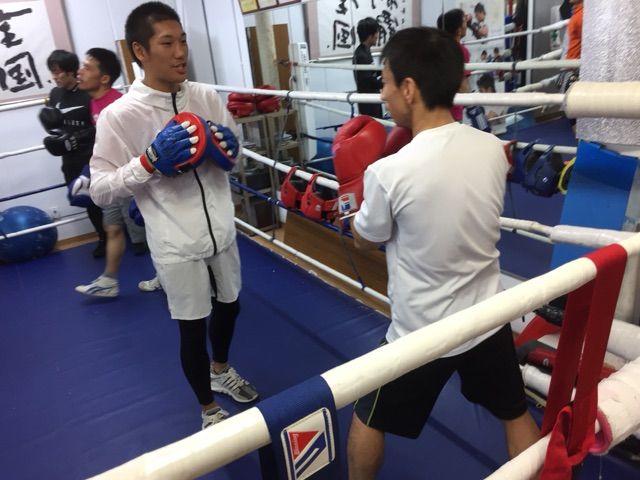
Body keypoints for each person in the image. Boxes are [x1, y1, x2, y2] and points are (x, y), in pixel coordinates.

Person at [343, 27, 540, 479]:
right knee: (515, 415)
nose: (383, 93)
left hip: (421, 332)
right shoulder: (492, 149)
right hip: (485, 318)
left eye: (385, 82)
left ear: (409, 88)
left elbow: (365, 239)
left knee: (367, 418)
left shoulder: (389, 171)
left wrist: (351, 204)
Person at [89, 2, 258, 429]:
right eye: (167, 43)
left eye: (182, 40)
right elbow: (100, 187)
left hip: (222, 230)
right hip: (175, 241)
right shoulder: (119, 115)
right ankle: (208, 409)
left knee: (231, 307)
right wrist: (146, 163)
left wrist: (229, 150)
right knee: (191, 328)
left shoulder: (205, 96)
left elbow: (235, 156)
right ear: (140, 51)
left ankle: (221, 370)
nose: (181, 52)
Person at [74, 47, 148, 298]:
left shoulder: (119, 104)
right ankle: (109, 281)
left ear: (104, 78)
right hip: (111, 178)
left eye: (87, 68)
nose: (80, 72)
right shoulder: (93, 102)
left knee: (147, 233)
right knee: (113, 228)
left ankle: (169, 275)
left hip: (129, 178)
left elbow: (137, 142)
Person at [41, 50, 106, 257]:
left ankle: (131, 234)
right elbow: (55, 126)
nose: (55, 77)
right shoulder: (55, 94)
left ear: (71, 71)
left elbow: (101, 123)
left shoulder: (87, 93)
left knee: (110, 196)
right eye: (53, 72)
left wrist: (80, 136)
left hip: (92, 156)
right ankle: (103, 238)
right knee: (84, 199)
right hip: (70, 158)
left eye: (58, 72)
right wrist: (55, 139)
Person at [437, 9, 471, 122]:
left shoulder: (436, 48)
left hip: (433, 109)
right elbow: (463, 86)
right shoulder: (460, 51)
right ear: (458, 30)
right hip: (453, 111)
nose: (466, 25)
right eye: (464, 22)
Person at [352, 17, 383, 118]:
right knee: (374, 126)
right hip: (369, 104)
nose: (378, 36)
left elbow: (371, 72)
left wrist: (385, 70)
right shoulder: (361, 55)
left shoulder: (365, 51)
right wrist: (388, 80)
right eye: (377, 33)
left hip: (372, 100)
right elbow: (369, 83)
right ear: (370, 35)